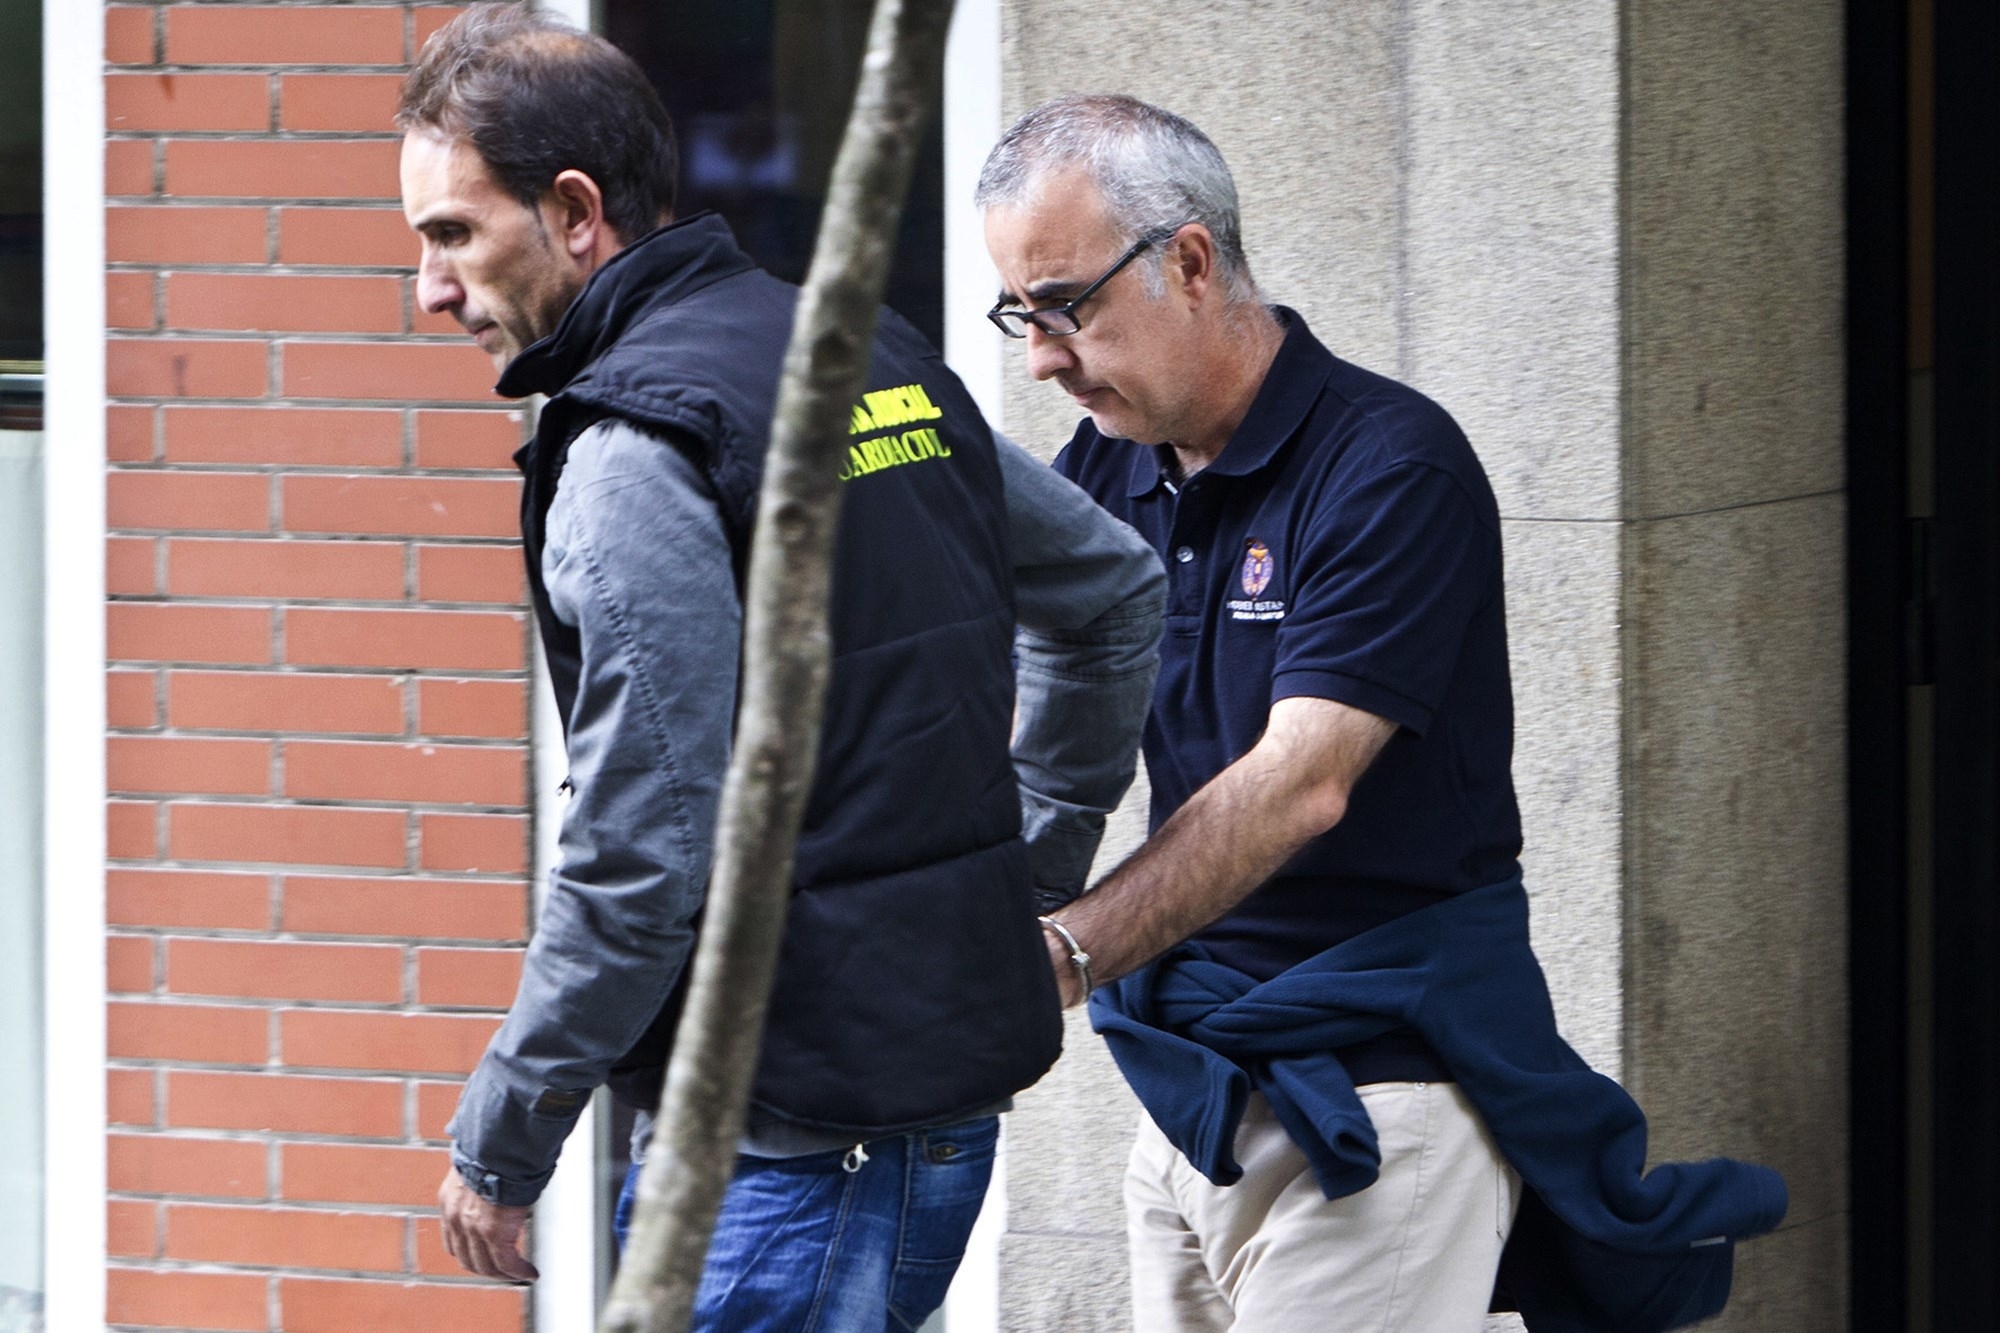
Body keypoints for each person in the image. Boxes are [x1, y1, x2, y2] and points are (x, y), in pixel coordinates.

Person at [395, 14, 1165, 1330]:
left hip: (793, 1146)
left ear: (577, 214)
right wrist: (1019, 878)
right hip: (925, 1124)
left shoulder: (635, 447)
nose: (429, 286)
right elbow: (1114, 594)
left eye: (454, 234)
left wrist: (502, 1135)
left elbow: (638, 857)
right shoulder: (863, 350)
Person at [978, 94, 1785, 1332]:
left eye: (1062, 308)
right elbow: (1001, 719)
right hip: (1187, 1096)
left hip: (1373, 1100)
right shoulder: (1099, 472)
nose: (1038, 357)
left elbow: (1304, 779)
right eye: (1017, 315)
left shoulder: (1387, 466)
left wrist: (1065, 951)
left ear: (1187, 261)